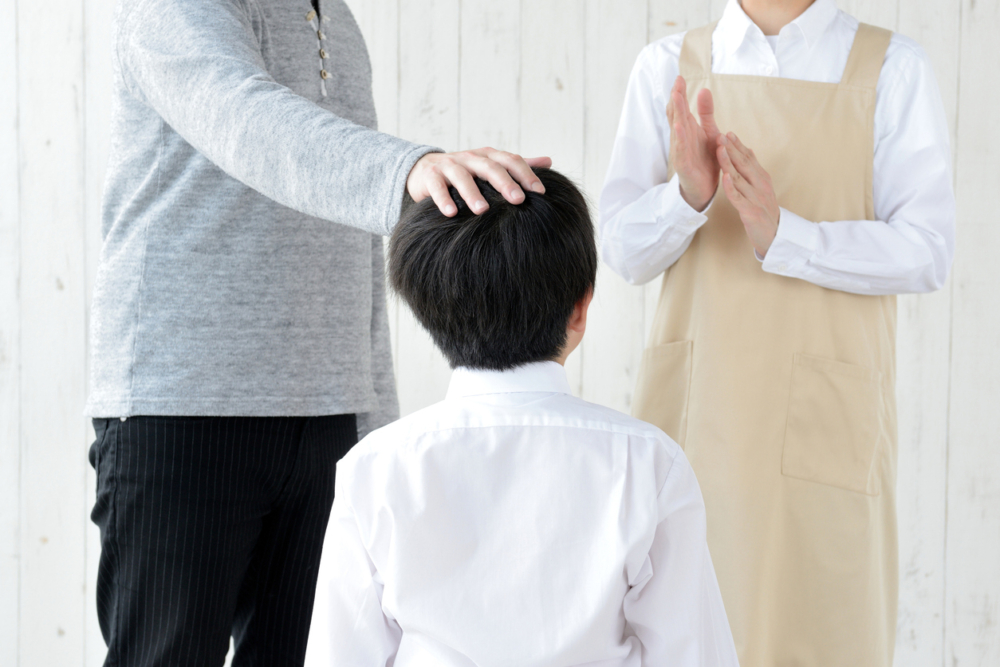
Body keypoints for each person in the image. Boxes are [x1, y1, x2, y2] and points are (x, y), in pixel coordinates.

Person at [85, 0, 550, 665]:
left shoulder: (330, 15)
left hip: (328, 413)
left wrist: (373, 415)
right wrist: (408, 171)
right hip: (184, 405)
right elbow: (250, 121)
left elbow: (348, 238)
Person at [600, 1, 955, 666]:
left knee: (824, 629)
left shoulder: (891, 70)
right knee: (686, 626)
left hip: (827, 421)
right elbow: (622, 249)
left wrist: (788, 235)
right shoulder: (667, 69)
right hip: (700, 412)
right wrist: (689, 196)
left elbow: (928, 248)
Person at [304, 168, 739, 667]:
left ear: (428, 312)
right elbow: (692, 654)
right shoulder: (649, 463)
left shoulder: (374, 469)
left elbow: (341, 656)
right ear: (580, 308)